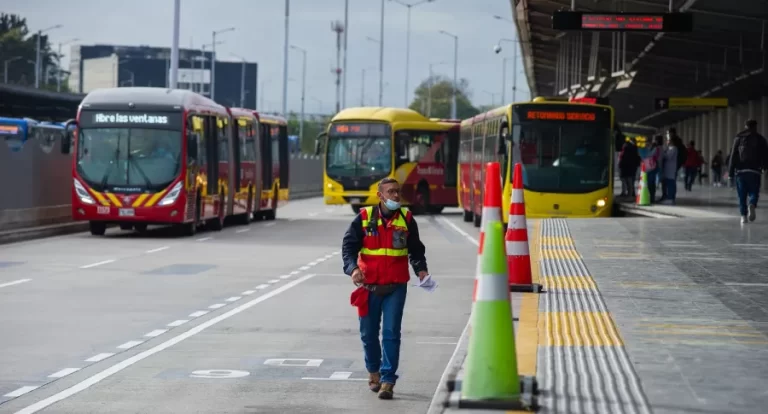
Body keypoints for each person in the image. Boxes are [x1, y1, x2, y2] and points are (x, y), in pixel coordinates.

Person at [341, 177, 429, 400]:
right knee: (368, 334)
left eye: (397, 191)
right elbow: (348, 248)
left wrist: (421, 269)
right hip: (369, 287)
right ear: (380, 195)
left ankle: (388, 380)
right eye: (390, 192)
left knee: (391, 333)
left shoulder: (406, 218)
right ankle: (374, 372)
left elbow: (416, 250)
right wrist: (353, 269)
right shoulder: (364, 218)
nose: (395, 196)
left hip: (395, 287)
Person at [728, 119, 768, 224]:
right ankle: (752, 204)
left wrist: (730, 173)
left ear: (745, 126)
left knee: (742, 195)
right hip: (755, 171)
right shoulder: (761, 139)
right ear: (755, 126)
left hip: (740, 171)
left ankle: (743, 216)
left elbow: (733, 155)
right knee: (754, 192)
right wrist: (765, 168)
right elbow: (766, 155)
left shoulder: (739, 137)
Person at [661, 134, 679, 205]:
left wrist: (662, 152)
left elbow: (668, 156)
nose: (667, 142)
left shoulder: (674, 148)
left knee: (671, 184)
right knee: (669, 183)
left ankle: (671, 198)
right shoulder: (670, 148)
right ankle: (670, 198)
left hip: (671, 169)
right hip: (668, 169)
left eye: (668, 140)